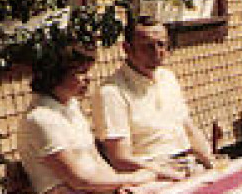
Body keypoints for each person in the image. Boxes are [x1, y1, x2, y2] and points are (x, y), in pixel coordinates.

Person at [18, 44, 159, 194]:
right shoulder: (41, 118)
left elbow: (95, 159)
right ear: (56, 75)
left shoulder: (70, 106)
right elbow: (79, 179)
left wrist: (119, 185)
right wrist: (132, 179)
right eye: (80, 73)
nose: (88, 79)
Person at [93, 16, 219, 179]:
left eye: (161, 44)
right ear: (127, 48)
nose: (157, 52)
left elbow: (189, 130)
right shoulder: (111, 92)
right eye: (147, 46)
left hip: (188, 165)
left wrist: (211, 163)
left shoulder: (168, 78)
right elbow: (120, 159)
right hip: (152, 175)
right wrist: (165, 172)